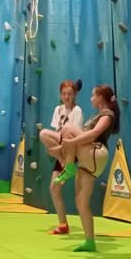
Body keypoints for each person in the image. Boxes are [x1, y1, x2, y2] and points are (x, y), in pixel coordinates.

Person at [52, 84, 120, 253]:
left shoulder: (107, 115)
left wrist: (71, 142)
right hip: (89, 159)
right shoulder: (98, 115)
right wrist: (62, 148)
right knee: (81, 202)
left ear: (100, 98)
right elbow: (80, 139)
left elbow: (93, 134)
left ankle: (69, 166)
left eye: (93, 95)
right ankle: (90, 241)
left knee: (67, 127)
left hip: (97, 152)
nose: (91, 99)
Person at [38, 80, 84, 235]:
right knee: (54, 187)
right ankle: (63, 225)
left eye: (70, 94)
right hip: (61, 153)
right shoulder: (58, 109)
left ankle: (65, 163)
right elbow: (56, 133)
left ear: (75, 94)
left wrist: (58, 149)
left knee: (43, 133)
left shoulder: (77, 111)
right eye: (64, 94)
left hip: (71, 150)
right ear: (60, 95)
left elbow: (74, 137)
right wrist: (55, 150)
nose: (66, 97)